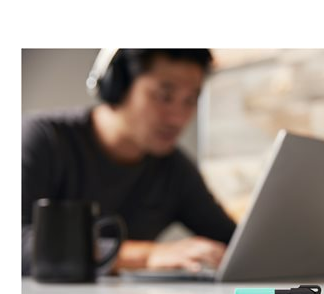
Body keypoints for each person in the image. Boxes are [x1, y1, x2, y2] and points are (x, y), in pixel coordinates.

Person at [22, 49, 236, 275]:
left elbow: (234, 242)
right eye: (164, 97)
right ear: (117, 85)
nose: (178, 118)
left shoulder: (175, 169)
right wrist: (146, 255)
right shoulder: (42, 139)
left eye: (190, 100)